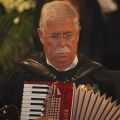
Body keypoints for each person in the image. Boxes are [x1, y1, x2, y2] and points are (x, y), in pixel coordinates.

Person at [0, 1, 119, 120]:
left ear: (78, 34)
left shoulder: (99, 77)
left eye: (68, 35)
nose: (62, 44)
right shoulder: (20, 75)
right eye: (55, 36)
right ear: (41, 36)